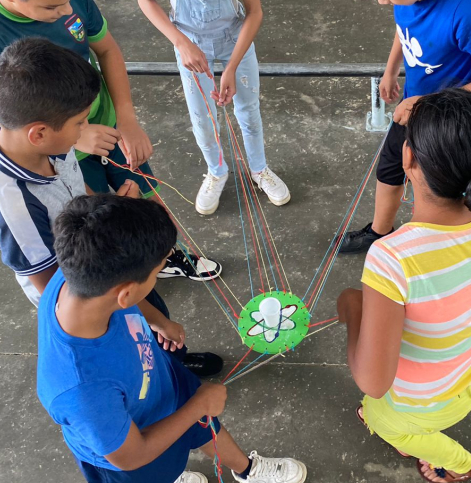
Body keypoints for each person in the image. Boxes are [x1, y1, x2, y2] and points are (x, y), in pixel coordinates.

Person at [0, 0, 221, 281]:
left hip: (109, 129)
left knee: (146, 202)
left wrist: (126, 119)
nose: (68, 12)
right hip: (65, 154)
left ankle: (166, 254)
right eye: (53, 7)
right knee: (105, 234)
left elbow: (107, 50)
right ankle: (133, 277)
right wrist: (76, 136)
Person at [0, 37, 222, 377]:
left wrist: (110, 208)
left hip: (111, 274)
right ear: (39, 133)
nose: (84, 131)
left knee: (150, 311)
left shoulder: (50, 144)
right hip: (92, 302)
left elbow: (80, 196)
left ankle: (171, 361)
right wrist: (156, 320)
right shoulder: (11, 205)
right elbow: (58, 289)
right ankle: (162, 372)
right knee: (137, 347)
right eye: (80, 123)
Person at [338, 89, 471, 482]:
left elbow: (373, 382)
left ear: (407, 159)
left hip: (424, 403)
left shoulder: (393, 258)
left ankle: (463, 466)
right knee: (388, 413)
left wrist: (352, 310)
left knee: (379, 416)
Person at [40, 193, 307, 483]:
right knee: (166, 461)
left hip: (161, 384)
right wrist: (197, 406)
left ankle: (247, 470)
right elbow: (132, 456)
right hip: (137, 449)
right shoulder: (84, 390)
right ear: (126, 292)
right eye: (157, 271)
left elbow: (124, 298)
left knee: (204, 424)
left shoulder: (78, 276)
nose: (158, 274)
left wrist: (159, 321)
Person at [338, 0, 471, 254]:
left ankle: (447, 250)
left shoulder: (470, 9)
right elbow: (406, 25)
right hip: (414, 104)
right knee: (390, 168)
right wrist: (390, 69)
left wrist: (429, 103)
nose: (381, 2)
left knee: (447, 193)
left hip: (455, 123)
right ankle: (379, 232)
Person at [137, 0, 290, 215]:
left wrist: (231, 68)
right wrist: (181, 43)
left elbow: (255, 12)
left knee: (249, 110)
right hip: (188, 41)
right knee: (202, 117)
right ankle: (216, 171)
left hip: (234, 39)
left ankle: (259, 169)